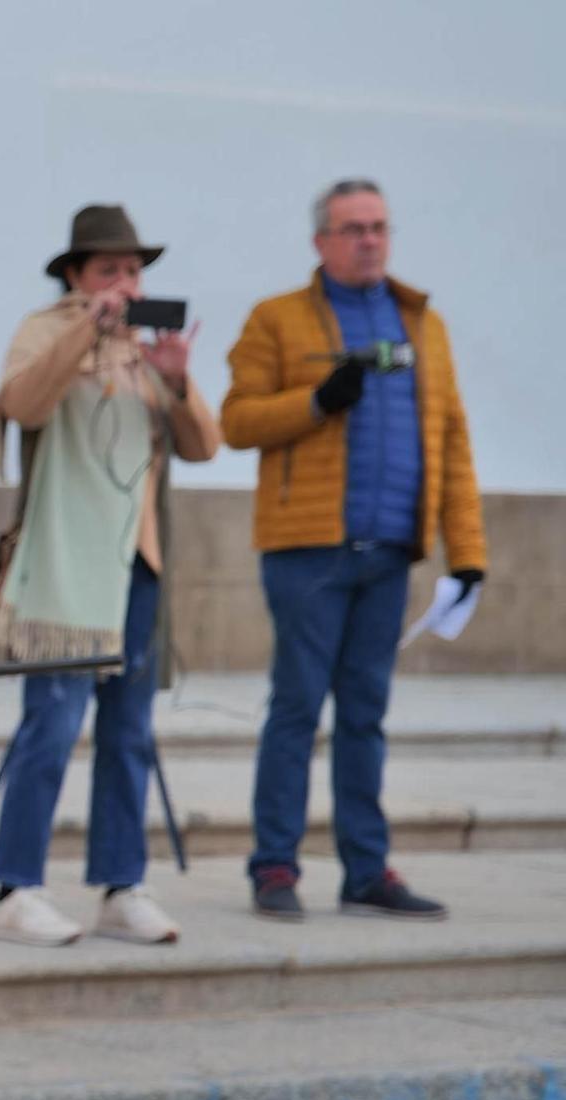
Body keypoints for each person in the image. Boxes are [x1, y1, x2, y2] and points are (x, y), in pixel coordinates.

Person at [223, 179, 486, 923]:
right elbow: (236, 421)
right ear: (321, 241)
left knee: (366, 713)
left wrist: (466, 551)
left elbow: (453, 440)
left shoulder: (421, 324)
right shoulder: (276, 319)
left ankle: (366, 869)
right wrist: (315, 401)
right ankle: (275, 864)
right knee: (297, 708)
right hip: (307, 553)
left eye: (378, 227)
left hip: (390, 552)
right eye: (352, 228)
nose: (369, 240)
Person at [0, 204, 221, 947]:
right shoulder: (46, 330)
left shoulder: (149, 353)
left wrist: (178, 382)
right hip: (60, 567)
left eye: (134, 268)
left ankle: (122, 884)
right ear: (77, 276)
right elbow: (22, 403)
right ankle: (18, 886)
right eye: (110, 269)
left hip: (135, 566)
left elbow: (205, 446)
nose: (126, 280)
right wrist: (89, 328)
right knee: (50, 726)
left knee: (129, 732)